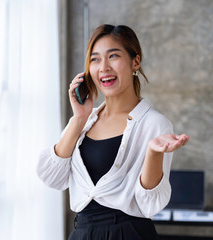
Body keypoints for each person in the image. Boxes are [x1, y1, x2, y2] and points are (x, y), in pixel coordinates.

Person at [36, 24, 189, 240]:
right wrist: (79, 118)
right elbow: (53, 177)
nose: (104, 67)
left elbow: (150, 204)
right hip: (82, 232)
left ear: (135, 62)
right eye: (95, 59)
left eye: (113, 56)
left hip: (129, 233)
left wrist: (153, 152)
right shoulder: (84, 121)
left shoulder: (155, 124)